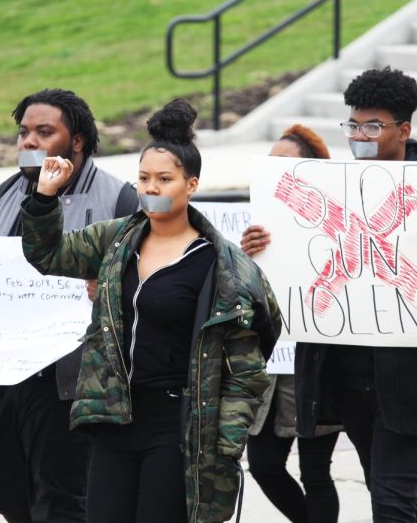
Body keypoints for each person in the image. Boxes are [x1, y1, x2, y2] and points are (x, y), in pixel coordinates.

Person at [243, 67, 417, 522]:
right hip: (345, 376)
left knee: (393, 494)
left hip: (411, 378)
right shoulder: (325, 187)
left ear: (404, 130)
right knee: (386, 492)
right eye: (353, 125)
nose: (360, 136)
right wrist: (259, 254)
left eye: (373, 127)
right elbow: (276, 294)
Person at [21, 98, 282, 523]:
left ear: (191, 185)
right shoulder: (117, 239)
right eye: (143, 178)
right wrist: (44, 198)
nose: (151, 189)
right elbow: (47, 255)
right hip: (115, 416)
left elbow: (249, 366)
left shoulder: (222, 265)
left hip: (178, 423)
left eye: (165, 179)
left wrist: (226, 440)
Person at [0, 88, 137, 523]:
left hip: (72, 377)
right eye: (24, 132)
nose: (29, 141)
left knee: (61, 497)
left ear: (76, 141)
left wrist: (108, 284)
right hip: (6, 376)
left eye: (44, 132)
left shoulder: (118, 199)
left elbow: (146, 278)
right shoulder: (1, 196)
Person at [242, 125, 341, 523]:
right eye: (270, 161)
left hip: (317, 363)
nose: (274, 169)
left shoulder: (336, 217)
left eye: (284, 162)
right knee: (265, 465)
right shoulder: (255, 222)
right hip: (271, 366)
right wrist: (247, 254)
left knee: (315, 471)